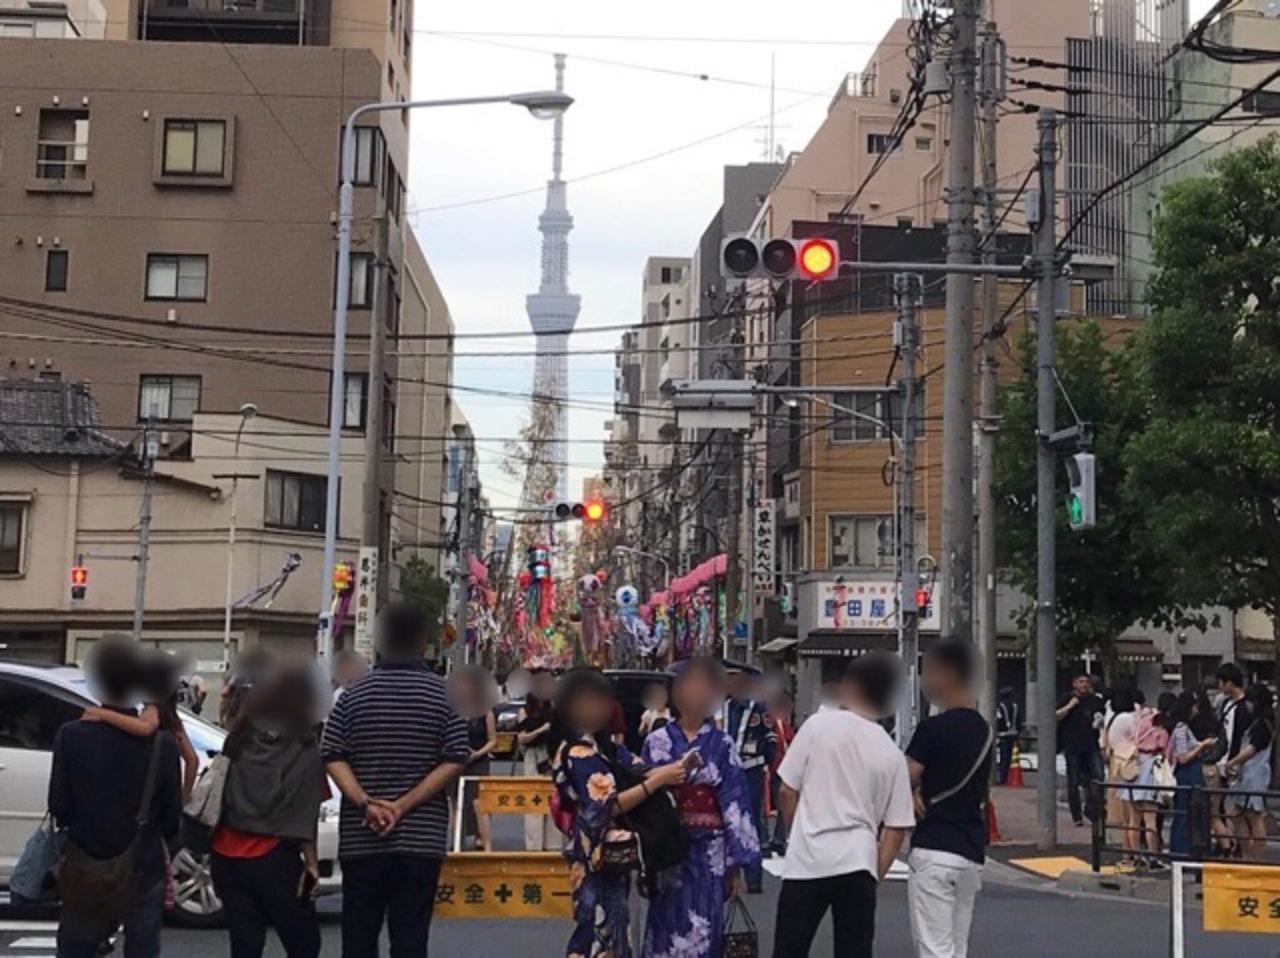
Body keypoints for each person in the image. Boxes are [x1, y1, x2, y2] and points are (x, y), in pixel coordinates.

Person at [321, 602, 471, 958]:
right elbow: (455, 758)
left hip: (362, 836)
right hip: (421, 838)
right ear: (423, 641)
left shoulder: (353, 696)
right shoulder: (443, 696)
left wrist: (365, 802)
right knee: (410, 937)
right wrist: (403, 806)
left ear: (382, 640)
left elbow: (331, 754)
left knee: (358, 935)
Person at [773, 653, 915, 958]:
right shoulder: (891, 753)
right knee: (854, 949)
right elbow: (896, 828)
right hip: (858, 860)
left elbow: (786, 790)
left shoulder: (817, 727)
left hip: (808, 859)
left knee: (790, 948)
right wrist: (874, 872)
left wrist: (795, 829)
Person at [50, 638, 182, 958]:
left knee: (76, 946)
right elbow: (172, 817)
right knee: (142, 947)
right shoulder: (162, 745)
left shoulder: (71, 735)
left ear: (97, 683)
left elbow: (59, 806)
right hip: (142, 862)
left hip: (86, 862)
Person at [550, 668, 688, 958]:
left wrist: (677, 767)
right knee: (596, 929)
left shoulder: (605, 747)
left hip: (615, 853)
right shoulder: (578, 753)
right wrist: (657, 782)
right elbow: (608, 805)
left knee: (616, 927)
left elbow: (642, 768)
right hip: (593, 855)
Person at [641, 658, 761, 958]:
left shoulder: (722, 744)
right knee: (664, 922)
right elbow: (643, 795)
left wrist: (735, 867)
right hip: (666, 844)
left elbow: (735, 803)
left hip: (709, 848)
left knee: (706, 921)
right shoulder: (656, 741)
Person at [211, 666, 327, 958]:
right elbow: (305, 808)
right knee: (303, 943)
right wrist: (311, 864)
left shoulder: (238, 737)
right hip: (273, 856)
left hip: (226, 854)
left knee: (245, 944)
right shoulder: (303, 746)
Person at [905, 639, 992, 958]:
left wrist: (912, 791)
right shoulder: (986, 731)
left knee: (934, 948)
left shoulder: (932, 729)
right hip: (970, 851)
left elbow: (903, 776)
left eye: (929, 673)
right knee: (957, 947)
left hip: (934, 846)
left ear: (948, 675)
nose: (926, 682)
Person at [85, 650, 200, 802]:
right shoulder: (170, 716)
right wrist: (184, 796)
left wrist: (102, 714)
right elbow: (192, 759)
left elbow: (145, 728)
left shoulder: (153, 709)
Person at [725, 667, 776, 894]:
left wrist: (764, 760)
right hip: (726, 773)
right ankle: (727, 874)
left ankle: (753, 878)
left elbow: (771, 739)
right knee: (726, 821)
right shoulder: (722, 709)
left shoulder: (759, 709)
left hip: (750, 771)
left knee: (750, 823)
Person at [451, 666, 499, 851]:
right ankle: (457, 842)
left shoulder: (486, 712)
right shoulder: (453, 710)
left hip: (478, 761)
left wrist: (478, 753)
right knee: (455, 802)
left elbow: (493, 740)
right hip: (456, 760)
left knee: (479, 802)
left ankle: (486, 843)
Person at [1224, 683, 1273, 860]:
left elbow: (1252, 749)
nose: (1247, 705)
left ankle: (1255, 857)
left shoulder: (1263, 724)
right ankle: (1248, 853)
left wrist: (1232, 763)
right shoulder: (1257, 722)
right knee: (1236, 813)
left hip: (1255, 773)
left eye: (1250, 701)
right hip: (1247, 772)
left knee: (1254, 816)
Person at [1168, 690, 1218, 858]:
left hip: (1189, 772)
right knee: (1186, 812)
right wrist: (1202, 746)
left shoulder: (1183, 727)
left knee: (1188, 812)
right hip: (1187, 772)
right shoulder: (1181, 728)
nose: (1197, 710)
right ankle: (1182, 851)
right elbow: (1183, 757)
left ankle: (1185, 850)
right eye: (1195, 706)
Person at [1130, 691, 1174, 865]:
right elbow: (1167, 753)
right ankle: (1154, 856)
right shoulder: (1162, 727)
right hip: (1152, 768)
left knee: (1134, 818)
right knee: (1150, 819)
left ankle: (1134, 855)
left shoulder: (1143, 719)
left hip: (1135, 766)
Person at [516, 671, 559, 851]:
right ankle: (533, 846)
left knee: (554, 800)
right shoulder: (524, 711)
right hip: (533, 758)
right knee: (533, 800)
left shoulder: (556, 709)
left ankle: (554, 845)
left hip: (553, 758)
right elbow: (521, 739)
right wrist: (541, 730)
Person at [1055, 674, 1105, 826]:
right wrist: (1070, 706)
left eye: (1086, 682)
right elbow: (1054, 716)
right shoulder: (1066, 698)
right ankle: (1076, 815)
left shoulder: (1095, 701)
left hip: (1091, 745)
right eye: (1081, 682)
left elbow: (1101, 719)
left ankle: (1093, 809)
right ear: (1074, 683)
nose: (1084, 685)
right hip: (1072, 746)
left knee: (1098, 777)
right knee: (1074, 780)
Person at [1102, 688, 1140, 866]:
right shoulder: (1128, 718)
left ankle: (1127, 854)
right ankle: (1133, 854)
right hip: (1130, 766)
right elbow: (1139, 738)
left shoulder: (1113, 718)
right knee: (1133, 815)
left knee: (1126, 816)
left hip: (1117, 765)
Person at [764, 692, 796, 855]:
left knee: (782, 803)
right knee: (771, 804)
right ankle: (772, 839)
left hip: (785, 768)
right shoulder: (770, 723)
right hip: (774, 768)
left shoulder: (786, 725)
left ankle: (779, 839)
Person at [994, 688, 1020, 785]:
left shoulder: (1001, 707)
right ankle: (1012, 777)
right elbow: (1019, 720)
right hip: (1014, 734)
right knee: (1012, 758)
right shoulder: (1015, 706)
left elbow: (999, 721)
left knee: (1004, 758)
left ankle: (1003, 779)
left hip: (1004, 735)